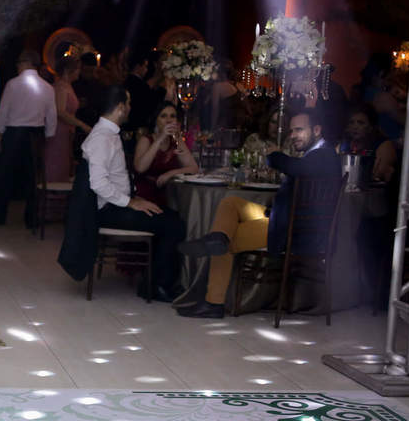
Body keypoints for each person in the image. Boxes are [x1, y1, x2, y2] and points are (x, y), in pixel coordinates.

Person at [176, 109, 340, 319]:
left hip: (293, 230)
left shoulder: (324, 155)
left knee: (228, 241)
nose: (293, 135)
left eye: (299, 130)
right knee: (231, 203)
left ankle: (213, 302)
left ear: (317, 130)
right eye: (292, 131)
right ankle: (216, 238)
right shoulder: (317, 154)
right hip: (282, 218)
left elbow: (294, 168)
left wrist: (275, 155)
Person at [81, 85, 185, 301]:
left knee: (170, 217)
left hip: (117, 204)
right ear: (120, 107)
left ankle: (158, 281)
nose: (130, 108)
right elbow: (98, 184)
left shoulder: (109, 133)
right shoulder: (102, 137)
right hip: (109, 210)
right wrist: (129, 202)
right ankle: (155, 285)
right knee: (172, 223)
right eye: (128, 103)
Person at [0, 50, 56, 228]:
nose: (17, 66)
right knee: (32, 179)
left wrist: (1, 130)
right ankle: (31, 219)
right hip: (36, 135)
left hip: (14, 133)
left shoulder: (13, 84)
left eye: (18, 63)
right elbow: (52, 117)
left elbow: (3, 113)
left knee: (5, 176)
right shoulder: (48, 88)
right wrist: (48, 135)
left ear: (26, 62)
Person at [133, 101, 199, 206]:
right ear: (156, 120)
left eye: (172, 116)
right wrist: (161, 138)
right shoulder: (146, 140)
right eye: (163, 116)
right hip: (145, 197)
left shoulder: (177, 140)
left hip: (170, 196)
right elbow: (140, 168)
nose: (169, 120)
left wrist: (170, 174)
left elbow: (193, 168)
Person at [45, 56, 89, 182]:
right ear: (67, 70)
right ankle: (53, 198)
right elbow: (60, 111)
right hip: (58, 132)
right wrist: (82, 125)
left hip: (66, 132)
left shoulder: (67, 85)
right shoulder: (61, 86)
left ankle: (60, 198)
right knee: (57, 165)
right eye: (77, 69)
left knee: (64, 166)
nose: (79, 72)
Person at [340, 104, 396, 184]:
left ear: (371, 127)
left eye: (361, 123)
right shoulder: (345, 144)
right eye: (351, 122)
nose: (355, 127)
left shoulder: (384, 145)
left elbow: (377, 176)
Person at [72, 51, 105, 129]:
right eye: (87, 71)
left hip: (93, 124)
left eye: (91, 71)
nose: (90, 74)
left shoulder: (98, 84)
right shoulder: (75, 82)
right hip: (77, 123)